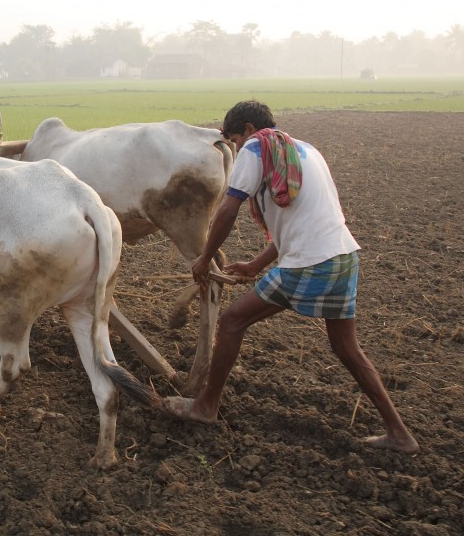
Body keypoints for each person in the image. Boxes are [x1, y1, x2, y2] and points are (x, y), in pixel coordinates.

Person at [164, 100, 419, 454]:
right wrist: (255, 265)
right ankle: (399, 433)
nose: (236, 148)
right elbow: (303, 222)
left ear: (249, 130)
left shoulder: (256, 147)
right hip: (343, 257)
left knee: (233, 320)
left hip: (309, 264)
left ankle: (206, 406)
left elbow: (229, 207)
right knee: (347, 349)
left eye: (235, 139)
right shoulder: (307, 151)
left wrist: (205, 257)